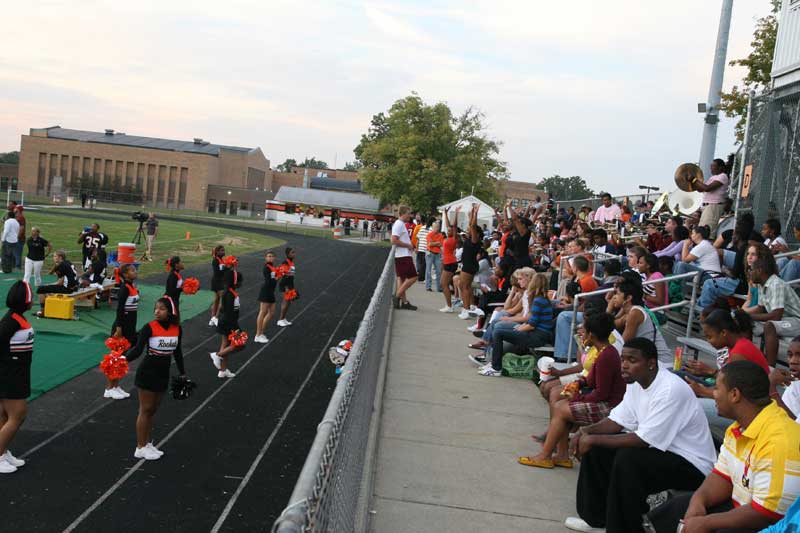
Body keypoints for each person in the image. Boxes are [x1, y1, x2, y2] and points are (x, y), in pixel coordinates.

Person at [563, 338, 717, 533]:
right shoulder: (635, 383)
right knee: (599, 450)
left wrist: (591, 438)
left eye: (632, 360)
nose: (624, 365)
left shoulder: (670, 389)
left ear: (651, 363)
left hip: (694, 466)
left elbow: (643, 440)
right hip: (663, 451)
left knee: (629, 459)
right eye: (622, 359)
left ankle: (624, 528)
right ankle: (596, 520)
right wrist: (585, 431)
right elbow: (617, 421)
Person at [650, 361, 800, 533]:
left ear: (734, 394)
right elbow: (722, 476)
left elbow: (767, 515)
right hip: (745, 509)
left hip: (775, 525)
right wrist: (698, 501)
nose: (713, 394)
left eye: (717, 388)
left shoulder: (779, 440)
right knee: (680, 507)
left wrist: (706, 523)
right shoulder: (738, 427)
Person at [520, 312, 624, 469]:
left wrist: (577, 399)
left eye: (585, 331)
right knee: (559, 400)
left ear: (592, 334)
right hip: (603, 400)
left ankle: (545, 456)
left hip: (609, 407)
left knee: (561, 409)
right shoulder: (603, 351)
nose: (582, 334)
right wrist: (579, 383)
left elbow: (601, 393)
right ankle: (562, 455)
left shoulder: (606, 356)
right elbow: (591, 380)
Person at [123, 297, 187, 461]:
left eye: (162, 309)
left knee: (153, 410)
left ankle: (146, 443)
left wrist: (182, 372)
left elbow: (177, 352)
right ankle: (140, 447)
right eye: (155, 308)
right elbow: (137, 350)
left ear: (170, 311)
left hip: (163, 372)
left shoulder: (177, 329)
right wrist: (122, 359)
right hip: (148, 371)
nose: (157, 311)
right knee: (145, 409)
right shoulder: (149, 327)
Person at [478, 273, 553, 377]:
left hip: (537, 336)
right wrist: (519, 327)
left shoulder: (538, 301)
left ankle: (496, 368)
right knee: (499, 331)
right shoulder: (543, 299)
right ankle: (493, 363)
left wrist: (518, 329)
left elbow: (532, 325)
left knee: (498, 333)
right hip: (539, 334)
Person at [0, 281, 35, 474]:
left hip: (16, 372)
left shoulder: (17, 318)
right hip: (10, 374)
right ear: (25, 300)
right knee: (18, 415)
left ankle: (3, 452)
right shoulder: (11, 321)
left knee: (5, 416)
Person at [607, 272, 672, 367]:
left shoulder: (635, 312)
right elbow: (607, 326)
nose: (614, 297)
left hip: (661, 363)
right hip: (646, 360)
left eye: (618, 294)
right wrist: (609, 310)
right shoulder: (628, 310)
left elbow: (623, 346)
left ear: (628, 298)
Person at [746, 258, 800, 367]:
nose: (749, 273)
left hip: (796, 321)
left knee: (770, 326)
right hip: (784, 320)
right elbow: (760, 308)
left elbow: (776, 316)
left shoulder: (776, 284)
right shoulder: (762, 285)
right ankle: (746, 358)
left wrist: (750, 316)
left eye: (751, 270)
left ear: (759, 271)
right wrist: (745, 315)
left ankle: (769, 369)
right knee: (744, 321)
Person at [210, 264, 244, 378]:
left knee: (226, 344)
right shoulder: (230, 294)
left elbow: (222, 308)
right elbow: (229, 313)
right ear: (235, 282)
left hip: (226, 322)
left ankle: (223, 370)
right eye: (240, 281)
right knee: (240, 344)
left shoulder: (229, 292)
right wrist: (236, 329)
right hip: (229, 323)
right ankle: (217, 355)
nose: (241, 283)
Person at [693, 157, 731, 237]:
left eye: (713, 166)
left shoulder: (722, 176)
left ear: (720, 167)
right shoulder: (713, 177)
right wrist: (693, 184)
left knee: (706, 233)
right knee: (701, 232)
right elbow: (701, 189)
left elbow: (707, 188)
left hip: (713, 206)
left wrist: (694, 180)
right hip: (708, 207)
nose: (711, 168)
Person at [391, 206, 419, 310]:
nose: (410, 215)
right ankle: (397, 296)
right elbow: (394, 240)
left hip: (401, 255)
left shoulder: (400, 224)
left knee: (401, 278)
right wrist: (408, 246)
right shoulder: (399, 224)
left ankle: (404, 302)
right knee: (414, 277)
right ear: (403, 213)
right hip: (403, 256)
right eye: (408, 213)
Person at [35, 250, 78, 318]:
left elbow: (59, 283)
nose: (53, 258)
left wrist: (48, 285)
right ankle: (50, 307)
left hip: (67, 288)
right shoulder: (68, 262)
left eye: (55, 256)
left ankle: (42, 311)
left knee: (41, 289)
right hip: (74, 286)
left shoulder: (61, 266)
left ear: (60, 257)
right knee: (48, 289)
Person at [459, 204, 483, 320]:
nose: (468, 230)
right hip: (468, 265)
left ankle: (466, 309)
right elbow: (471, 224)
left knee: (464, 286)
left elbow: (473, 225)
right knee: (464, 286)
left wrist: (475, 213)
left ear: (476, 233)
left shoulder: (475, 240)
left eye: (471, 230)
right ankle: (466, 308)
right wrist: (471, 214)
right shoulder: (470, 239)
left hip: (470, 265)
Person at [771, 335, 800, 420]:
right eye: (790, 355)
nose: (793, 361)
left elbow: (795, 428)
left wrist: (771, 390)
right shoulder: (795, 382)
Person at [254, 251, 278, 344]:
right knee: (262, 312)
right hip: (266, 291)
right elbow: (269, 281)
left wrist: (279, 275)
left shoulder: (273, 268)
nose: (270, 258)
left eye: (272, 256)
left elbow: (274, 281)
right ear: (266, 258)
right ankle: (258, 335)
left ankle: (261, 332)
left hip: (271, 291)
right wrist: (277, 276)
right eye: (268, 256)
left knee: (271, 313)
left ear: (274, 258)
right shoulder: (266, 268)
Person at [439, 208, 459, 312]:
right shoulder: (448, 237)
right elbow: (448, 225)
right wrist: (446, 214)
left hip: (450, 262)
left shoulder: (454, 238)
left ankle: (449, 306)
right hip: (447, 262)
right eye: (448, 230)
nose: (448, 231)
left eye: (450, 230)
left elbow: (454, 226)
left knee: (444, 284)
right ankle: (449, 305)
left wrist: (456, 213)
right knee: (443, 284)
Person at [277, 247, 298, 326]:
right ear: (288, 254)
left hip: (290, 284)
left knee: (289, 302)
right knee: (285, 302)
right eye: (292, 252)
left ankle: (283, 318)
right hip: (286, 284)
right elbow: (284, 274)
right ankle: (280, 320)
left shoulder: (291, 262)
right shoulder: (285, 262)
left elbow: (291, 275)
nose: (294, 254)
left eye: (294, 252)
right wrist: (286, 287)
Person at [208, 245, 226, 327]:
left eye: (224, 250)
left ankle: (212, 318)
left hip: (219, 281)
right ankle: (215, 317)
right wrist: (227, 269)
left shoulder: (221, 260)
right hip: (218, 282)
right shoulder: (216, 261)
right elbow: (218, 273)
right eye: (221, 250)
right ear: (217, 252)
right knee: (222, 301)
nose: (223, 252)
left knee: (216, 299)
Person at [425, 221, 444, 292]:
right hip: (430, 253)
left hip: (437, 254)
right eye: (435, 227)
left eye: (438, 227)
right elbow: (430, 244)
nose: (437, 228)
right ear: (432, 228)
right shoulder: (429, 235)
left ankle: (439, 287)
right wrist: (436, 243)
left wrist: (434, 243)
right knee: (428, 271)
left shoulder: (441, 235)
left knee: (439, 271)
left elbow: (440, 244)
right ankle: (428, 286)